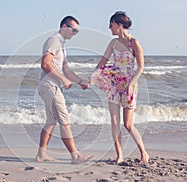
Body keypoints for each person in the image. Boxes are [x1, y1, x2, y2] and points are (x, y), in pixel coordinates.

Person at [87, 11, 149, 165]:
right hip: (114, 84)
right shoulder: (113, 43)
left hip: (129, 84)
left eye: (111, 24)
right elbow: (102, 62)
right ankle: (119, 155)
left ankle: (144, 153)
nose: (109, 27)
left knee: (128, 124)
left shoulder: (133, 42)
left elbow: (140, 67)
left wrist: (131, 84)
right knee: (114, 121)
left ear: (119, 25)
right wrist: (91, 78)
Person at [36, 16, 92, 164]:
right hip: (50, 86)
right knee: (65, 122)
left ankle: (41, 155)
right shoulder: (53, 41)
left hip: (50, 86)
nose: (75, 33)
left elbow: (66, 70)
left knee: (51, 121)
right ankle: (75, 156)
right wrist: (62, 79)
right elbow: (45, 64)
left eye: (77, 31)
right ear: (64, 26)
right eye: (73, 30)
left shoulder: (61, 45)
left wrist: (80, 82)